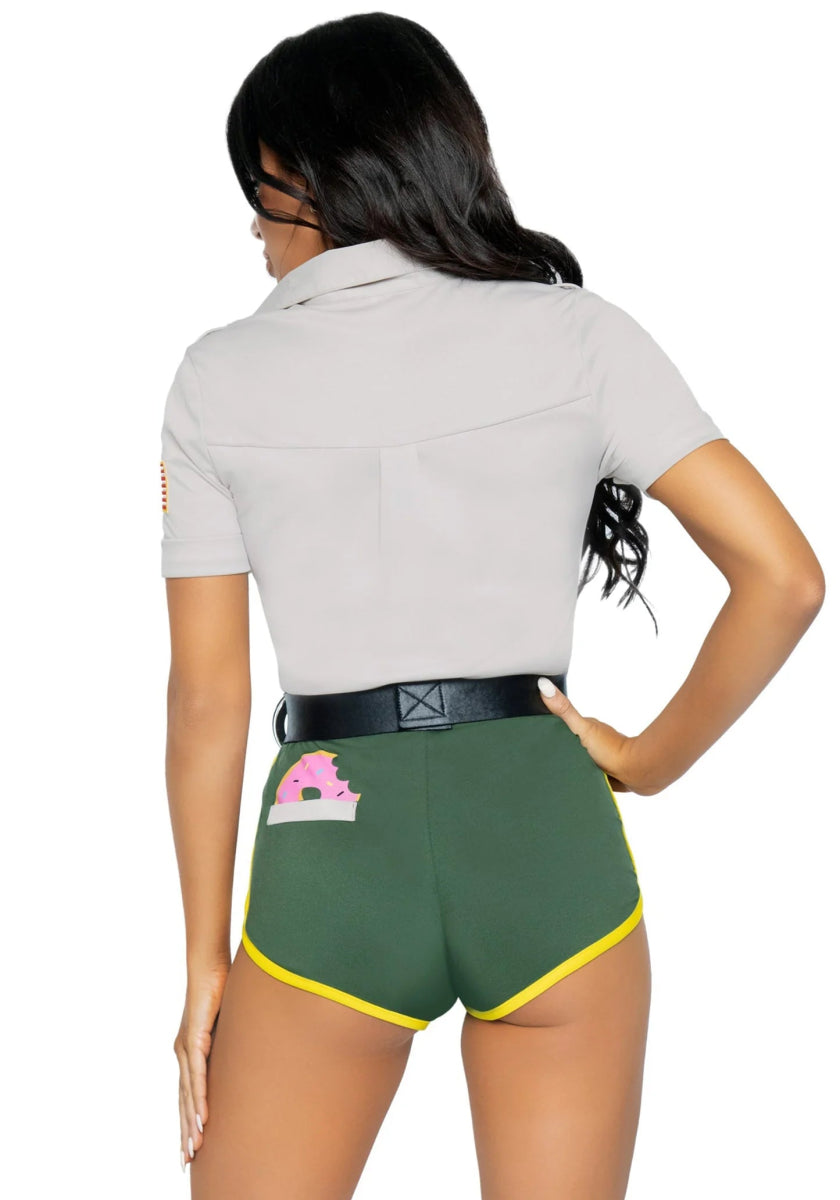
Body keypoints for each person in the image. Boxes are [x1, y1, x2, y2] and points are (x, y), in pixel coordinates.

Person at [159, 13, 825, 1199]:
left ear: (312, 176)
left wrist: (206, 957)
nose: (252, 225)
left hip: (331, 841)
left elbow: (209, 696)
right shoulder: (576, 333)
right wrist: (648, 761)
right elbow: (786, 576)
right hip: (544, 831)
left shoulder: (217, 379)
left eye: (256, 189)